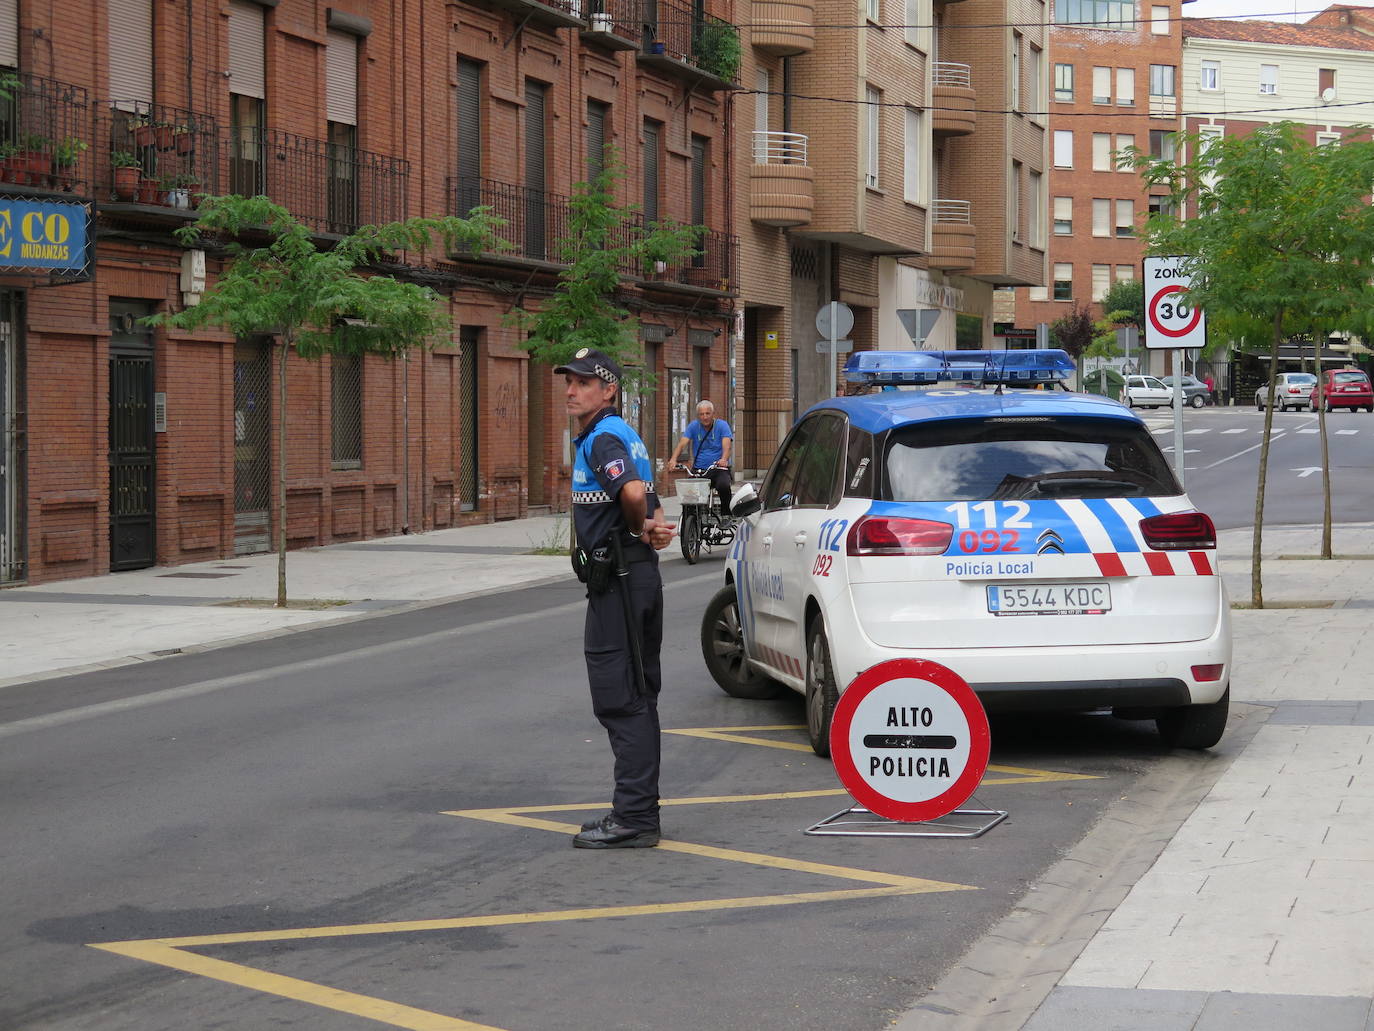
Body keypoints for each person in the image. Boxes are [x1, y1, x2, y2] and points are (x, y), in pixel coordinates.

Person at [557, 348, 674, 850]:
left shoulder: (603, 437)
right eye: (569, 381)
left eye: (583, 382)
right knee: (638, 697)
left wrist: (634, 530)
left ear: (608, 390)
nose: (571, 389)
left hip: (621, 582)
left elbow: (631, 497)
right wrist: (653, 529)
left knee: (620, 699)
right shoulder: (623, 434)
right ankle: (636, 809)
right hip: (637, 576)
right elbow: (652, 502)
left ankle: (634, 819)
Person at [667, 400, 734, 514]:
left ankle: (726, 514)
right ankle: (689, 522)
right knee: (688, 493)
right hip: (699, 470)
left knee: (723, 486)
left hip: (717, 469)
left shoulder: (722, 425)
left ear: (713, 413)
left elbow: (727, 446)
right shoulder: (694, 426)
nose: (705, 417)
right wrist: (673, 459)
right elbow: (682, 443)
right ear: (698, 415)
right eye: (702, 414)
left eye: (707, 413)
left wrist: (724, 459)